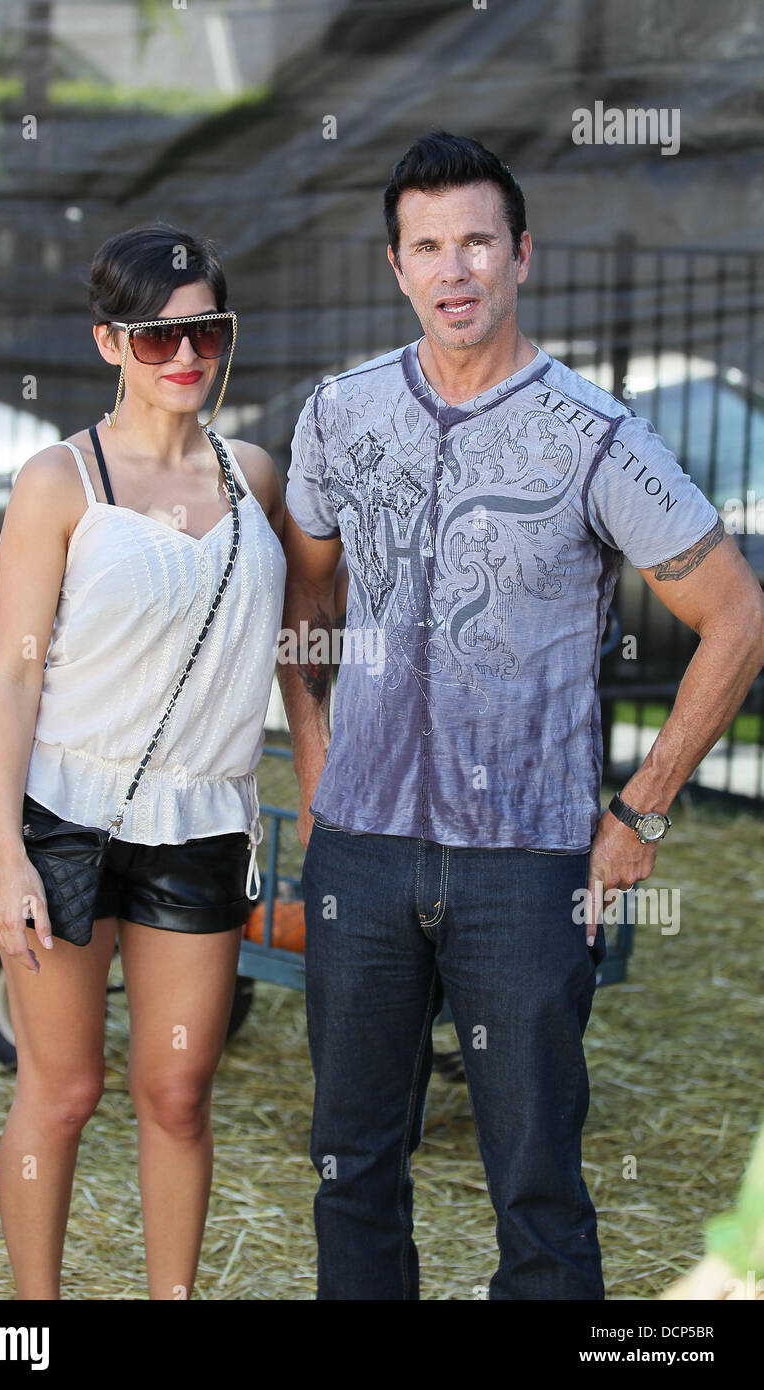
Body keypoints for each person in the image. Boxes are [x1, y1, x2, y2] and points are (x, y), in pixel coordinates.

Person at [278, 131, 764, 1300]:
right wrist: (315, 765)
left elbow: (736, 617)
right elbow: (301, 602)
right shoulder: (337, 415)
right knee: (349, 1169)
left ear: (521, 255)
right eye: (428, 246)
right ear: (395, 265)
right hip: (361, 852)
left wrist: (635, 816)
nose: (454, 271)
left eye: (477, 243)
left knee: (537, 1194)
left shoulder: (595, 434)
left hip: (529, 863)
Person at [0, 223, 285, 1300]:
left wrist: (328, 773)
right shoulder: (59, 479)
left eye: (203, 330)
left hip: (200, 827)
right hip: (65, 818)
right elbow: (14, 674)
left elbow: (304, 642)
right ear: (108, 341)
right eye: (157, 338)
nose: (185, 357)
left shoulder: (254, 477)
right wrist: (8, 851)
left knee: (177, 1092)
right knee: (62, 1091)